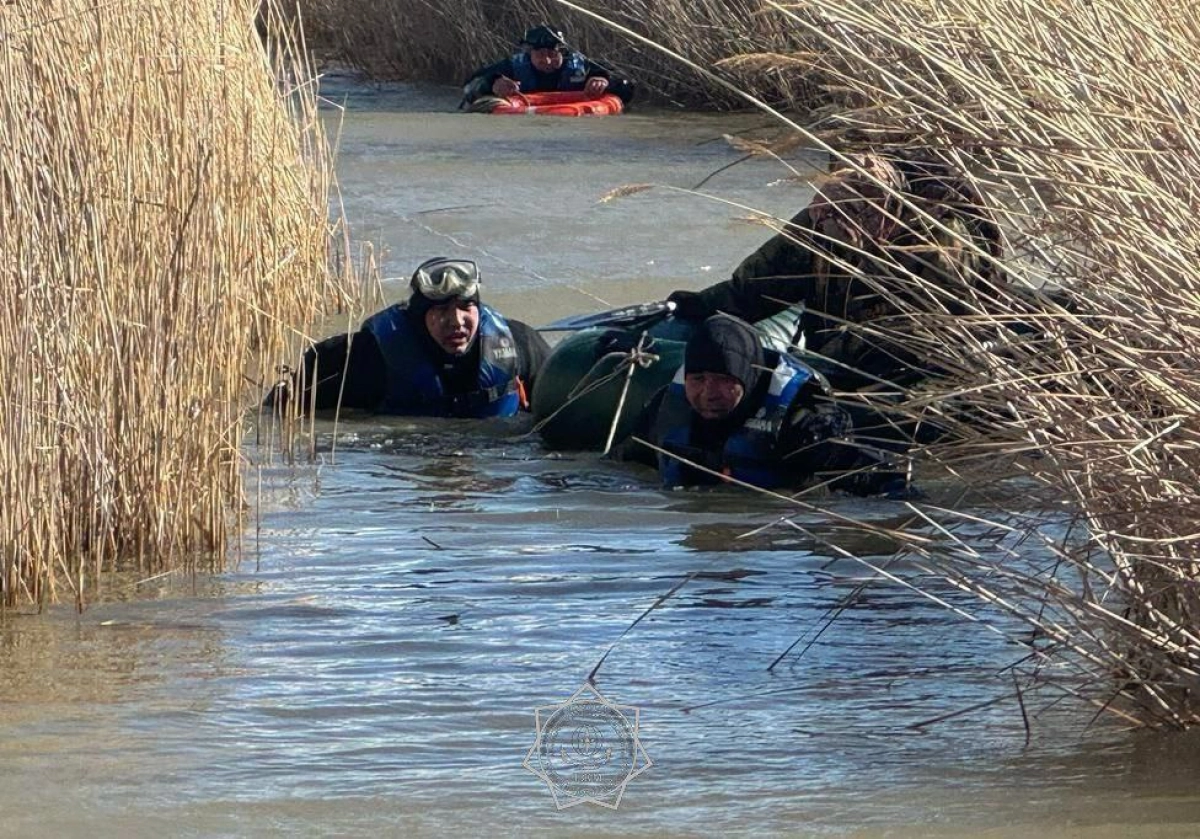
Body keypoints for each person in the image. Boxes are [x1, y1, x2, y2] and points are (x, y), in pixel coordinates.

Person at [665, 147, 1023, 391]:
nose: (837, 229)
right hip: (832, 350)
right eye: (830, 217)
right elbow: (759, 287)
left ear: (882, 214)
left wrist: (818, 363)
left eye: (852, 221)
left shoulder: (939, 244)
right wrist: (702, 305)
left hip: (920, 368)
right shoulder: (821, 219)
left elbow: (919, 335)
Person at [611, 313, 911, 495]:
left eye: (722, 379)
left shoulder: (801, 420)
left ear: (746, 376)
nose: (708, 392)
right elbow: (627, 463)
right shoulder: (668, 408)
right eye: (698, 378)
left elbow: (880, 480)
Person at [269, 257, 550, 418]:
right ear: (418, 316)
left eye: (466, 306)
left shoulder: (520, 343)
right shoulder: (364, 356)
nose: (456, 320)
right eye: (441, 309)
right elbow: (278, 411)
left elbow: (561, 406)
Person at [460, 25, 635, 111]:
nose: (548, 61)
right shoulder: (512, 67)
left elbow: (627, 85)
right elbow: (468, 87)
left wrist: (605, 80)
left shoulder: (583, 66)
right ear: (530, 53)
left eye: (553, 54)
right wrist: (491, 85)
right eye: (540, 54)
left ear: (563, 52)